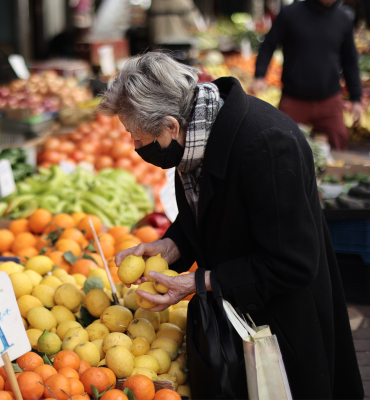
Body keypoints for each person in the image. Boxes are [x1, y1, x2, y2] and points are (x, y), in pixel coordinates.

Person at [101, 51, 364, 399]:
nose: (134, 146)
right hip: (243, 318)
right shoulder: (196, 135)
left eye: (136, 136)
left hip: (284, 328)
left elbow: (292, 262)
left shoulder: (266, 145)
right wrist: (173, 245)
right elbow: (216, 212)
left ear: (169, 126)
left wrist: (199, 281)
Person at [251, 0, 363, 151]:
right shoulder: (290, 13)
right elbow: (268, 45)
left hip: (329, 101)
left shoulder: (343, 19)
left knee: (338, 147)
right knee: (282, 149)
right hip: (294, 99)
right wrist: (260, 75)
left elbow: (350, 62)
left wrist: (356, 99)